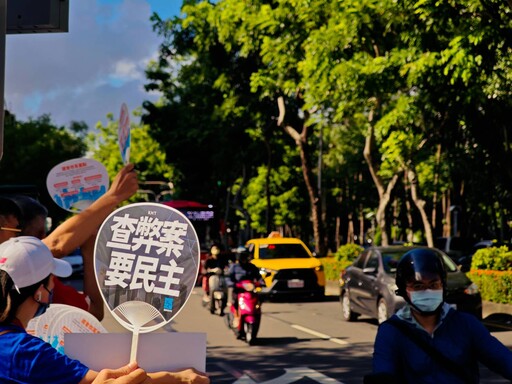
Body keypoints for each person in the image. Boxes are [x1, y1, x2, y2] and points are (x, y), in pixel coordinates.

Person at [0, 236, 209, 384]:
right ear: (39, 292)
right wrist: (179, 378)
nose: (54, 286)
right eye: (52, 279)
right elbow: (99, 381)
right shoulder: (25, 352)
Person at [2, 163, 139, 320]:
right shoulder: (18, 266)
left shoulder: (49, 284)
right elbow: (57, 245)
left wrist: (88, 247)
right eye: (40, 234)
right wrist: (114, 195)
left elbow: (93, 314)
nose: (43, 238)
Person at [368, 248, 512, 384]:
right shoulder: (391, 331)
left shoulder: (466, 324)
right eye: (418, 286)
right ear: (405, 291)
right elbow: (383, 372)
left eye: (433, 284)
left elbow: (503, 359)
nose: (427, 291)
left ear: (443, 286)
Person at [227, 247, 263, 327]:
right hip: (239, 290)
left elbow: (259, 277)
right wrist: (232, 284)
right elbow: (228, 278)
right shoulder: (234, 267)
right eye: (242, 257)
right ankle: (236, 316)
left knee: (260, 298)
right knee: (235, 300)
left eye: (245, 256)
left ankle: (256, 313)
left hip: (250, 290)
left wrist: (261, 282)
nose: (243, 259)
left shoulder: (252, 267)